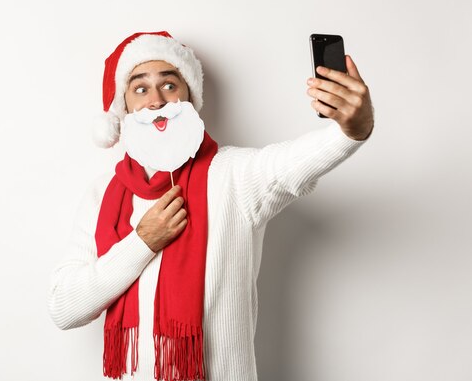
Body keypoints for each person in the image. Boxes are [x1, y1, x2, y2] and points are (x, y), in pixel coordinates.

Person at [48, 31, 374, 381]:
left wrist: (352, 130)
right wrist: (142, 242)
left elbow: (292, 163)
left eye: (170, 85)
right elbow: (64, 307)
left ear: (189, 97)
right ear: (123, 109)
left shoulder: (232, 175)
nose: (156, 100)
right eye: (140, 89)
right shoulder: (103, 194)